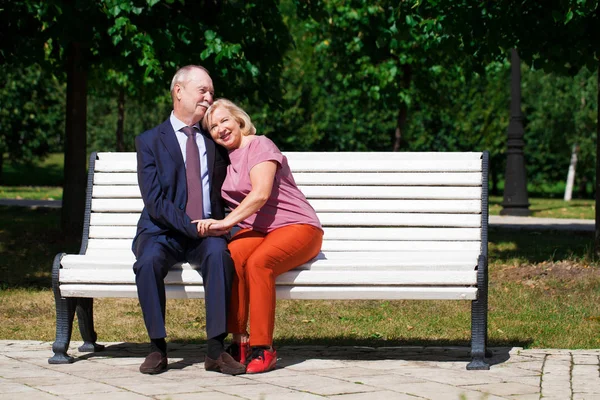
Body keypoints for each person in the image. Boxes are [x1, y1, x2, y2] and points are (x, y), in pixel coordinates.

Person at [132, 66, 245, 376]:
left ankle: (215, 350)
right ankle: (157, 347)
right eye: (203, 91)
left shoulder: (214, 139)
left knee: (219, 256)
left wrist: (227, 224)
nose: (209, 97)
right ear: (178, 91)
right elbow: (154, 202)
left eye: (211, 91)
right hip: (162, 231)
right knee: (147, 262)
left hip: (208, 230)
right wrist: (192, 226)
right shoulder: (150, 141)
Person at [197, 99, 324, 374]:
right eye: (213, 127)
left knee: (259, 263)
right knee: (235, 257)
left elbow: (261, 193)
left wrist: (224, 223)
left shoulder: (260, 145)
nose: (221, 129)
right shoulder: (228, 161)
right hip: (260, 231)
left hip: (299, 226)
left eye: (224, 121)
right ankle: (238, 343)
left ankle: (263, 348)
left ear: (238, 119)